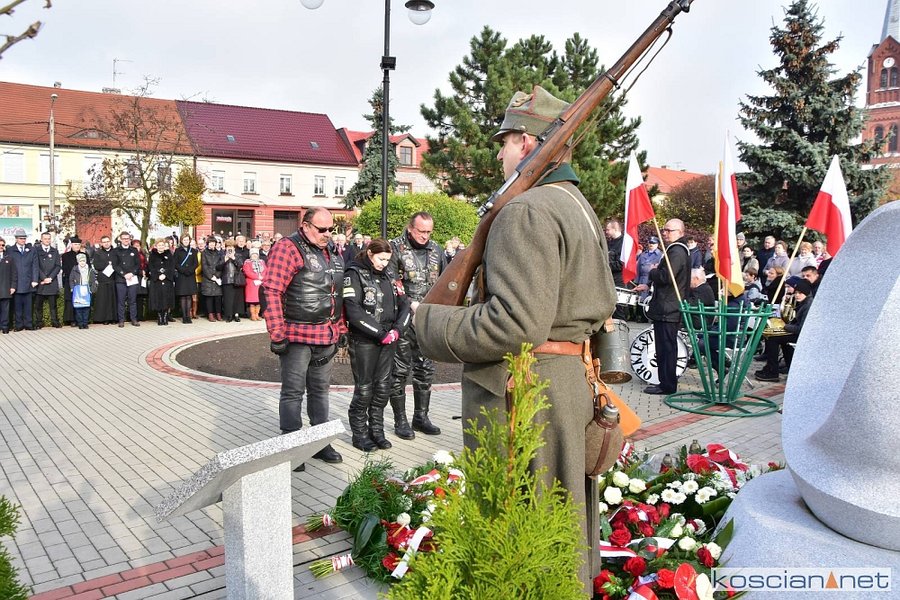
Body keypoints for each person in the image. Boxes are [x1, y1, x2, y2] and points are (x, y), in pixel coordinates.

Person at [414, 86, 616, 593]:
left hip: (527, 399)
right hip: (565, 388)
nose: (499, 154)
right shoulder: (576, 205)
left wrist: (428, 322)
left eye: (503, 142)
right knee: (560, 531)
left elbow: (514, 324)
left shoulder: (526, 211)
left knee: (521, 540)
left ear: (526, 143)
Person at [262, 206, 345, 467]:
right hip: (296, 334)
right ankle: (291, 448)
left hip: (326, 335)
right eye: (322, 229)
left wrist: (341, 329)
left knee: (320, 392)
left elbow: (336, 292)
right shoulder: (287, 248)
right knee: (293, 392)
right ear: (306, 226)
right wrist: (277, 333)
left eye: (331, 229)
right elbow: (271, 290)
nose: (328, 234)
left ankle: (319, 443)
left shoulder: (332, 251)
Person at [343, 238, 411, 451]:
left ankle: (377, 431)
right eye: (381, 259)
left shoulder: (390, 275)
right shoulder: (354, 274)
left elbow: (405, 304)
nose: (384, 263)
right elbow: (353, 311)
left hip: (389, 338)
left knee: (383, 387)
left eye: (387, 259)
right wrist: (380, 333)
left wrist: (398, 330)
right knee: (365, 389)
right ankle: (360, 434)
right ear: (370, 253)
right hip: (365, 339)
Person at [388, 212, 448, 439]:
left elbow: (445, 281)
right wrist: (410, 303)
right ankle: (400, 420)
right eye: (421, 231)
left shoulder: (436, 250)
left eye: (428, 232)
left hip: (427, 318)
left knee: (425, 369)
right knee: (400, 370)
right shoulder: (395, 248)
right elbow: (391, 281)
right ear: (410, 228)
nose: (425, 236)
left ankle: (421, 417)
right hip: (402, 317)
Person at [634, 218, 691, 395]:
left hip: (668, 308)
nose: (665, 233)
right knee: (665, 347)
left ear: (680, 232)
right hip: (668, 306)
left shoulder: (677, 251)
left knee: (666, 348)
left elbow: (666, 277)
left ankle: (667, 385)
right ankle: (665, 382)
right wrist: (647, 284)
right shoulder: (676, 249)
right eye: (664, 230)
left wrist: (652, 270)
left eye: (669, 230)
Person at [755, 279, 814, 381]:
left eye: (800, 293)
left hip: (802, 335)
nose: (797, 295)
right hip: (797, 333)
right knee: (776, 338)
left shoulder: (808, 305)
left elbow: (801, 328)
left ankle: (772, 371)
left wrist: (784, 326)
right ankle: (787, 367)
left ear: (806, 293)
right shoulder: (804, 303)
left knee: (773, 339)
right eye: (796, 293)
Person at [9, 228, 36, 331]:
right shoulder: (10, 250)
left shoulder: (31, 250)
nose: (23, 240)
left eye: (24, 238)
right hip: (16, 283)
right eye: (21, 238)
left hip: (28, 282)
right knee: (18, 307)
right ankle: (19, 325)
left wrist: (34, 279)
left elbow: (35, 266)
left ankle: (29, 324)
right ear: (16, 239)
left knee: (28, 306)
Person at [34, 231, 63, 328]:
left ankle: (55, 321)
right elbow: (35, 266)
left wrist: (50, 278)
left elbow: (58, 266)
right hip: (41, 282)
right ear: (41, 240)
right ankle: (39, 322)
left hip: (52, 281)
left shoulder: (55, 251)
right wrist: (44, 278)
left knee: (53, 305)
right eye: (45, 239)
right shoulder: (36, 250)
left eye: (49, 239)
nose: (47, 240)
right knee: (38, 305)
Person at [112, 232, 142, 327]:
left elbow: (138, 264)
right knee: (121, 301)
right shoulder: (116, 251)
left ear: (130, 239)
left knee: (132, 300)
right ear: (120, 239)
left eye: (127, 238)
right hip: (121, 279)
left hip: (132, 278)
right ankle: (121, 320)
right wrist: (124, 274)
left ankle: (134, 319)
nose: (126, 240)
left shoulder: (134, 250)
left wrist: (132, 273)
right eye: (124, 238)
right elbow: (115, 265)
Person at [148, 239, 176, 325]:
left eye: (162, 245)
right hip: (157, 281)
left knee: (166, 298)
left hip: (167, 280)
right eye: (159, 245)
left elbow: (172, 267)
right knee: (158, 298)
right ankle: (160, 317)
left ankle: (165, 316)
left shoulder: (169, 255)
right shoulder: (152, 255)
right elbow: (150, 267)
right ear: (156, 246)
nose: (161, 247)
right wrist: (157, 276)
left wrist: (166, 275)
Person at [91, 235, 117, 324]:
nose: (106, 243)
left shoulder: (115, 252)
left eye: (107, 241)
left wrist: (112, 265)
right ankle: (104, 319)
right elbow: (96, 265)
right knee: (103, 300)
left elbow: (118, 263)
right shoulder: (98, 253)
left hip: (113, 278)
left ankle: (113, 318)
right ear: (101, 243)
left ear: (110, 242)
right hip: (103, 279)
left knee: (112, 300)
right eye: (104, 242)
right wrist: (108, 264)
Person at [173, 234, 199, 324]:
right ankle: (184, 316)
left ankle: (188, 316)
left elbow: (196, 263)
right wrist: (183, 270)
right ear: (181, 241)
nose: (186, 241)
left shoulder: (193, 251)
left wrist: (190, 270)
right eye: (184, 240)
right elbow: (175, 263)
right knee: (183, 296)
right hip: (181, 276)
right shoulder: (177, 251)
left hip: (190, 276)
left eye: (187, 240)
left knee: (189, 296)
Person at [61, 236, 86, 326]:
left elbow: (88, 267)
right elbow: (65, 269)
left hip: (82, 281)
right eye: (75, 244)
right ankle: (71, 320)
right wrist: (74, 277)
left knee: (82, 300)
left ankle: (82, 319)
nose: (77, 246)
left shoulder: (84, 255)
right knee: (70, 300)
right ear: (71, 245)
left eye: (78, 244)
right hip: (70, 281)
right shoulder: (65, 256)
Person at [69, 252, 97, 329]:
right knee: (78, 307)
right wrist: (72, 288)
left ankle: (85, 323)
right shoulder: (74, 269)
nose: (82, 263)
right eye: (80, 261)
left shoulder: (90, 270)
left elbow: (93, 281)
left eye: (83, 261)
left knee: (86, 307)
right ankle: (80, 323)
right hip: (78, 290)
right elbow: (71, 279)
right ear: (78, 261)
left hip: (87, 290)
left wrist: (92, 289)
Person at [201, 236, 224, 321]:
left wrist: (217, 276)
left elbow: (221, 265)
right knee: (209, 298)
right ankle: (210, 314)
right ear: (208, 244)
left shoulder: (219, 253)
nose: (212, 244)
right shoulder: (204, 253)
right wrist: (211, 276)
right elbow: (204, 266)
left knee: (218, 298)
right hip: (208, 279)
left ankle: (218, 314)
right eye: (210, 243)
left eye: (213, 243)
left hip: (217, 278)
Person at [242, 247, 265, 321]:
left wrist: (262, 277)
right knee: (252, 301)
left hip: (260, 283)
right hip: (251, 284)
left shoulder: (262, 262)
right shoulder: (247, 262)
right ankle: (253, 315)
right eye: (253, 254)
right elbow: (247, 272)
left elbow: (265, 270)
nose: (254, 255)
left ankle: (257, 314)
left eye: (256, 254)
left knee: (259, 301)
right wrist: (257, 277)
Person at [635, 236, 662, 301]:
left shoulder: (661, 255)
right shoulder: (643, 254)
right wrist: (636, 281)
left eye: (653, 243)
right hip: (641, 279)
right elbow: (638, 268)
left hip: (651, 281)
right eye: (650, 243)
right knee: (639, 300)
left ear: (657, 244)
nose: (651, 244)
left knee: (648, 300)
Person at [0, 238, 17, 334]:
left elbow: (14, 273)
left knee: (5, 309)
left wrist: (13, 286)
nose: (1, 247)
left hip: (5, 288)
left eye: (3, 245)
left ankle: (5, 327)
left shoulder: (9, 258)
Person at [132, 238, 149, 322]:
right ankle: (135, 316)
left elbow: (146, 264)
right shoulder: (131, 255)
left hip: (142, 277)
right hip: (135, 277)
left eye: (138, 246)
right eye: (135, 246)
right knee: (134, 297)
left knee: (141, 297)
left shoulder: (143, 254)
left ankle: (141, 315)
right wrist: (140, 272)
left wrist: (145, 271)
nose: (137, 248)